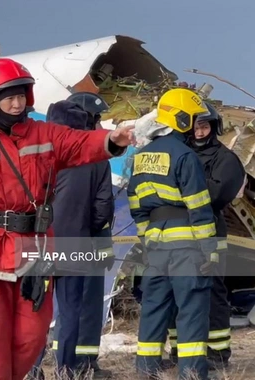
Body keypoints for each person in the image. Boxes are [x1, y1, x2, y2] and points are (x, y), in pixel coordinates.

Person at [0, 57, 133, 380]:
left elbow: (79, 143)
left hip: (34, 248)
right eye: (9, 97)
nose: (16, 104)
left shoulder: (45, 135)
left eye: (21, 96)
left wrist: (111, 141)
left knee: (32, 335)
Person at [127, 87, 219, 380]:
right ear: (181, 119)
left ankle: (146, 370)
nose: (195, 126)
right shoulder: (185, 156)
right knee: (191, 310)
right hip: (187, 247)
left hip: (156, 245)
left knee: (154, 308)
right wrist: (209, 250)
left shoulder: (141, 157)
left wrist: (148, 239)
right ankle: (192, 373)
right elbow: (199, 206)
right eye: (193, 120)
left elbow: (135, 204)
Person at [28, 93, 116, 379]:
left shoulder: (34, 153)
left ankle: (31, 368)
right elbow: (103, 207)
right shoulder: (97, 158)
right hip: (76, 242)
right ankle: (66, 370)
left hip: (38, 242)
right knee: (70, 310)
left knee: (35, 308)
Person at [164, 101, 246, 371]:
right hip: (177, 234)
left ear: (214, 127)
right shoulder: (179, 153)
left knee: (211, 292)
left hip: (209, 233)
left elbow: (216, 195)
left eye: (204, 126)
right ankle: (181, 349)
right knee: (177, 292)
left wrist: (181, 190)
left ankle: (218, 352)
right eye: (195, 126)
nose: (199, 132)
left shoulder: (226, 160)